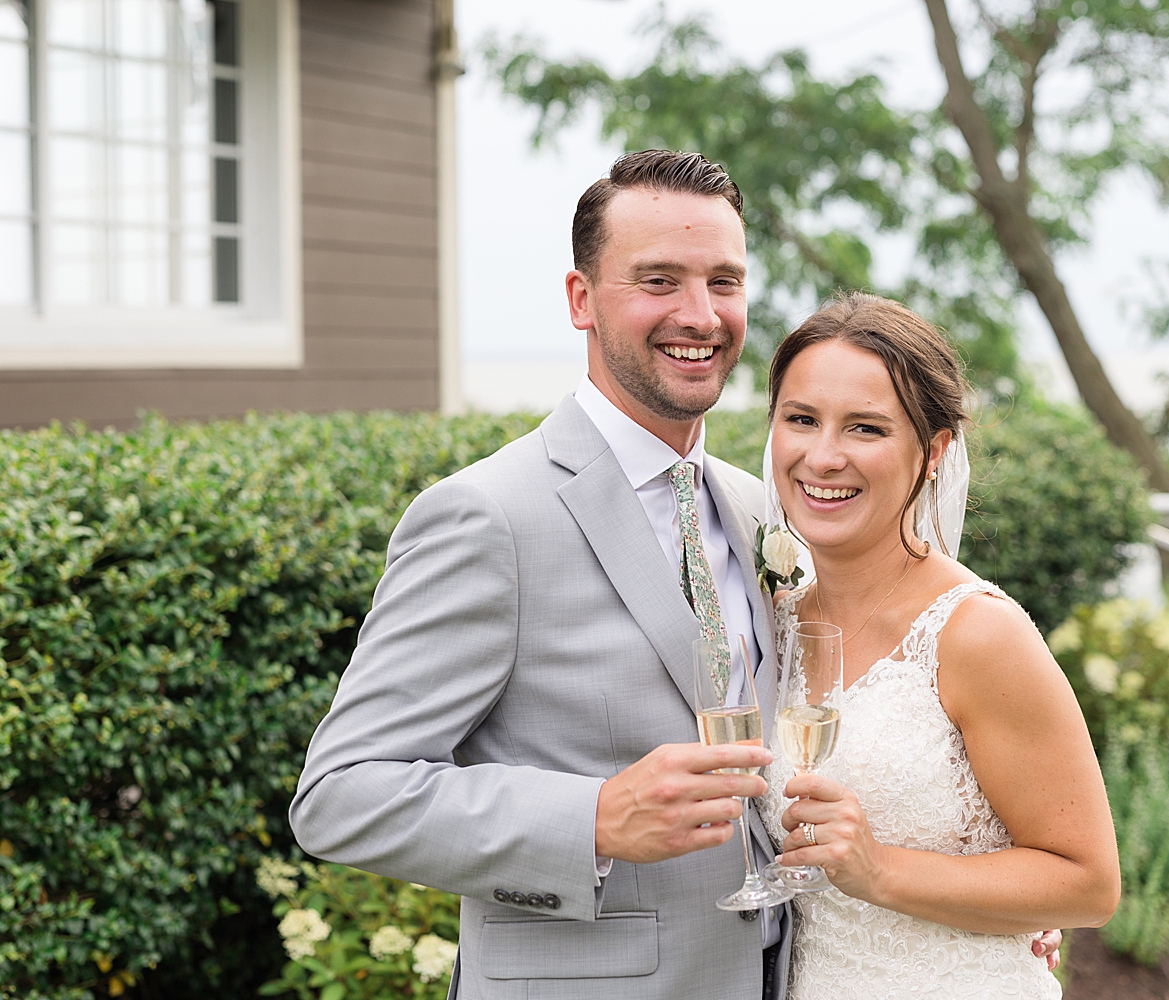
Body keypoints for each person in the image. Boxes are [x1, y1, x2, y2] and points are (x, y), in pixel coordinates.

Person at [289, 150, 1060, 1000]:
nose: (700, 314)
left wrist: (978, 900)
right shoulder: (487, 518)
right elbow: (340, 795)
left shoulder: (760, 509)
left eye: (723, 282)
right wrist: (592, 821)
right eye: (659, 280)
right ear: (582, 299)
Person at [756, 293, 1120, 999]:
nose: (823, 457)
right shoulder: (773, 620)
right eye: (801, 419)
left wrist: (879, 869)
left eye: (865, 428)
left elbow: (1088, 885)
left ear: (933, 451)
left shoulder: (978, 634)